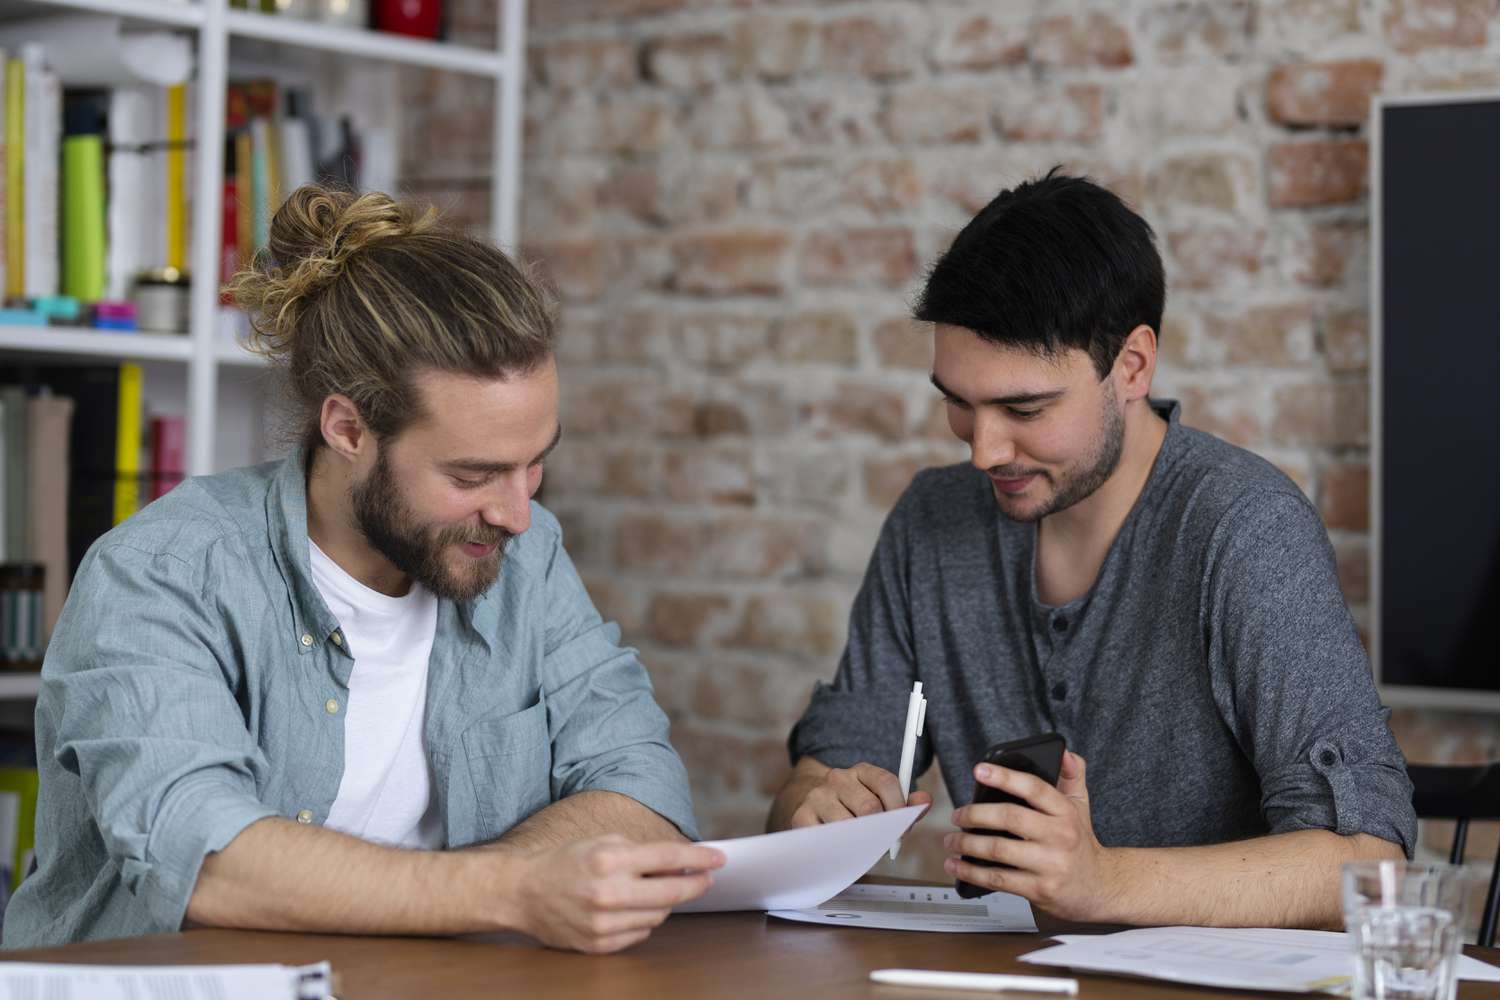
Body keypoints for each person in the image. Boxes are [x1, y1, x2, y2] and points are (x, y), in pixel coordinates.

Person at [4, 186, 722, 951]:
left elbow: (645, 788)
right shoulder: (160, 573)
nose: (516, 512)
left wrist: (485, 894)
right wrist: (514, 891)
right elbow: (205, 859)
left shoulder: (528, 553)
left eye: (533, 465)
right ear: (348, 429)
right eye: (473, 476)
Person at [768, 171, 1415, 928]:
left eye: (1024, 408)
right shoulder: (931, 524)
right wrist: (807, 806)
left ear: (1132, 367)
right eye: (957, 403)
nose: (984, 450)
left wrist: (1101, 881)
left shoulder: (1244, 528)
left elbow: (1369, 863)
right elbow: (830, 769)